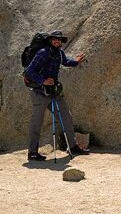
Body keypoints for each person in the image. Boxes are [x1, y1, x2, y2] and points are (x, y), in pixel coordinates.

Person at [24, 30, 89, 161]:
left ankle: (73, 146)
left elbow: (65, 62)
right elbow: (29, 71)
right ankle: (32, 153)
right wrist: (43, 80)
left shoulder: (59, 53)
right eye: (54, 39)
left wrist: (76, 61)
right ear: (50, 40)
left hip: (53, 92)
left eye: (58, 40)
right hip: (39, 93)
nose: (56, 41)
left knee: (66, 117)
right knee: (36, 123)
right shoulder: (43, 53)